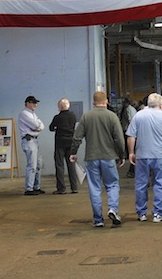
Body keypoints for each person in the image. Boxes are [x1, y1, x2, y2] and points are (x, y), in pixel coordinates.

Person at [69, 91, 126, 227]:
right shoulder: (112, 116)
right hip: (109, 157)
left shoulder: (86, 117)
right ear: (106, 101)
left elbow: (77, 137)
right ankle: (112, 209)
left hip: (91, 158)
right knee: (112, 185)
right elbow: (119, 138)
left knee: (94, 188)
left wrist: (73, 152)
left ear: (93, 102)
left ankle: (98, 220)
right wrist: (121, 155)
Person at [126, 93, 162, 223]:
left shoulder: (138, 116)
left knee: (141, 184)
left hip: (142, 155)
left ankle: (141, 213)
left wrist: (131, 152)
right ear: (161, 105)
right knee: (160, 184)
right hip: (160, 155)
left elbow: (131, 136)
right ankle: (158, 213)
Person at [50, 98, 79, 194]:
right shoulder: (73, 116)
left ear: (60, 107)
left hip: (60, 143)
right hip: (71, 142)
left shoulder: (57, 117)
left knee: (59, 165)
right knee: (71, 165)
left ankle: (61, 188)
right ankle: (74, 187)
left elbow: (51, 128)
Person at [18, 95, 45, 196]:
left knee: (38, 165)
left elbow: (41, 125)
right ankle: (29, 188)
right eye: (33, 103)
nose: (36, 105)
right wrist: (36, 127)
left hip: (34, 140)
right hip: (29, 140)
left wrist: (37, 127)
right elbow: (35, 125)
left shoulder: (33, 114)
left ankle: (36, 187)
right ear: (28, 103)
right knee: (32, 165)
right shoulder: (24, 113)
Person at [119, 97, 137, 178]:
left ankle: (132, 171)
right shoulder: (132, 109)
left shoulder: (127, 110)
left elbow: (130, 120)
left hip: (128, 130)